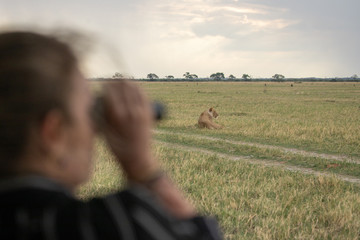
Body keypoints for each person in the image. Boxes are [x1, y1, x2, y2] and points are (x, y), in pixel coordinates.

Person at [0, 31, 222, 239]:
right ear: (53, 133)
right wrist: (142, 167)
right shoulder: (107, 224)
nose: (95, 129)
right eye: (90, 112)